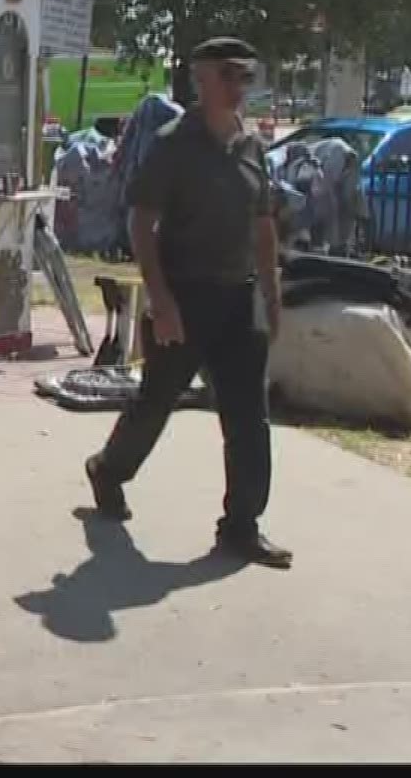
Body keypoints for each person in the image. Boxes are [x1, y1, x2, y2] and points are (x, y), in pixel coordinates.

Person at [84, 37, 292, 569]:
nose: (239, 85)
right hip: (184, 292)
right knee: (157, 401)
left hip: (238, 297)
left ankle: (241, 525)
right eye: (229, 74)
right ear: (201, 79)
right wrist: (162, 301)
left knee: (249, 416)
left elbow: (263, 223)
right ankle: (109, 470)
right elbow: (141, 223)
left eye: (246, 75)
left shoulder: (252, 146)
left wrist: (270, 291)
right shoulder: (174, 143)